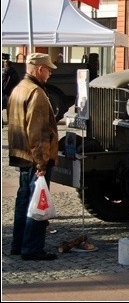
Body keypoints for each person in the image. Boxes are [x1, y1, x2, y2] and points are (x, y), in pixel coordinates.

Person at [7, 53, 59, 261]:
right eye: (48, 70)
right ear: (39, 69)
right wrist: (41, 162)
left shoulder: (19, 89)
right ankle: (32, 248)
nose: (50, 74)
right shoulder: (36, 92)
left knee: (23, 201)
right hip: (34, 157)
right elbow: (36, 132)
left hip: (20, 154)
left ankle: (18, 244)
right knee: (37, 203)